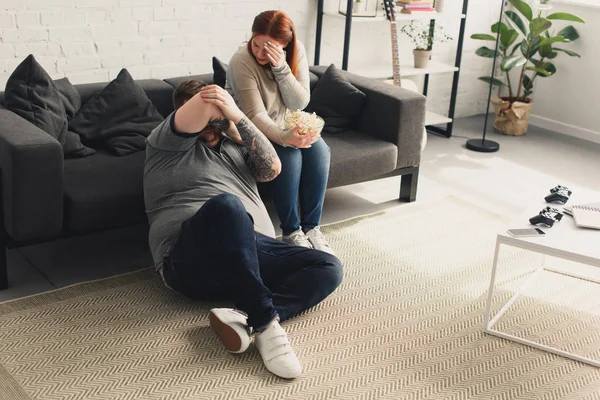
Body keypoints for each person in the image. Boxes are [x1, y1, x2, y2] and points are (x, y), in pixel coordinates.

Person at [143, 79, 343, 379]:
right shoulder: (165, 144)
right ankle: (266, 325)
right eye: (207, 118)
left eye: (218, 119)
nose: (212, 123)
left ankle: (245, 319)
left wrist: (237, 121)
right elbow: (207, 101)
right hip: (189, 262)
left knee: (328, 266)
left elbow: (273, 169)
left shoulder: (237, 145)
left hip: (250, 253)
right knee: (227, 205)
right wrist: (224, 109)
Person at [226, 10, 334, 255]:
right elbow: (254, 115)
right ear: (251, 36)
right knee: (291, 157)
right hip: (248, 130)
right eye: (256, 44)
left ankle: (312, 228)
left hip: (284, 124)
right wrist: (286, 139)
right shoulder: (241, 60)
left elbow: (299, 103)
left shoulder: (296, 52)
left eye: (271, 48)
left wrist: (282, 68)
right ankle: (291, 231)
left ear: (285, 45)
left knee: (320, 151)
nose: (261, 53)